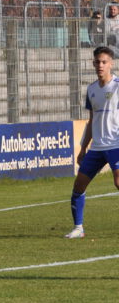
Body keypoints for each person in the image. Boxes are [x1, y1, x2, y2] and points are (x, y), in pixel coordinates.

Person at [66, 46, 119, 238]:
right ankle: (78, 228)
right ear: (93, 64)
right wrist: (82, 148)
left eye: (104, 62)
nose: (100, 65)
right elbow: (91, 121)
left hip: (116, 144)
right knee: (78, 186)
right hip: (97, 147)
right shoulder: (91, 89)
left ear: (111, 64)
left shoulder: (118, 86)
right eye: (97, 62)